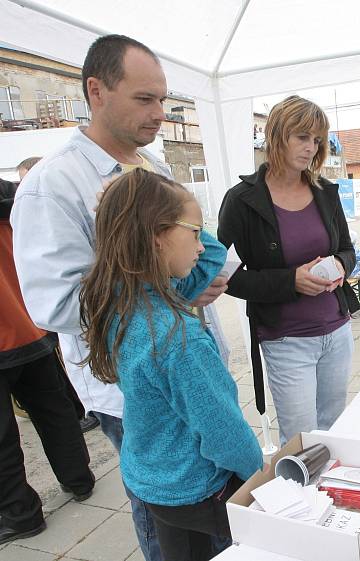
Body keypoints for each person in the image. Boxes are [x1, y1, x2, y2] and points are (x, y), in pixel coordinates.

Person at [11, 34, 226, 561]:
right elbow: (55, 305)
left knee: (210, 505)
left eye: (163, 99)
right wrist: (181, 289)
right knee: (164, 517)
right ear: (96, 91)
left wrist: (201, 269)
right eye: (144, 99)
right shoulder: (53, 184)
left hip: (189, 365)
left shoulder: (150, 165)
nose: (159, 113)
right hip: (132, 391)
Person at [80, 169, 262, 561]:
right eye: (195, 233)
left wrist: (137, 200)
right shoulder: (177, 337)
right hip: (198, 488)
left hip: (154, 480)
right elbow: (223, 432)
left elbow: (211, 254)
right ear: (156, 236)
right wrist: (259, 475)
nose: (202, 246)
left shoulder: (122, 297)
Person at [218, 95, 358, 446]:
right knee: (300, 440)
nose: (311, 147)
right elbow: (221, 274)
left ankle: (330, 497)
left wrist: (340, 263)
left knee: (334, 431)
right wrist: (290, 281)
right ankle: (299, 500)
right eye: (302, 137)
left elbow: (347, 250)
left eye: (317, 140)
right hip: (286, 339)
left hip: (337, 332)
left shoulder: (325, 191)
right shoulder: (242, 200)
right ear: (277, 135)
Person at [1, 179, 95, 545]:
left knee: (3, 437)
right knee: (55, 413)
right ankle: (79, 478)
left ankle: (20, 512)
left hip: (17, 330)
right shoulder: (17, 197)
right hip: (32, 325)